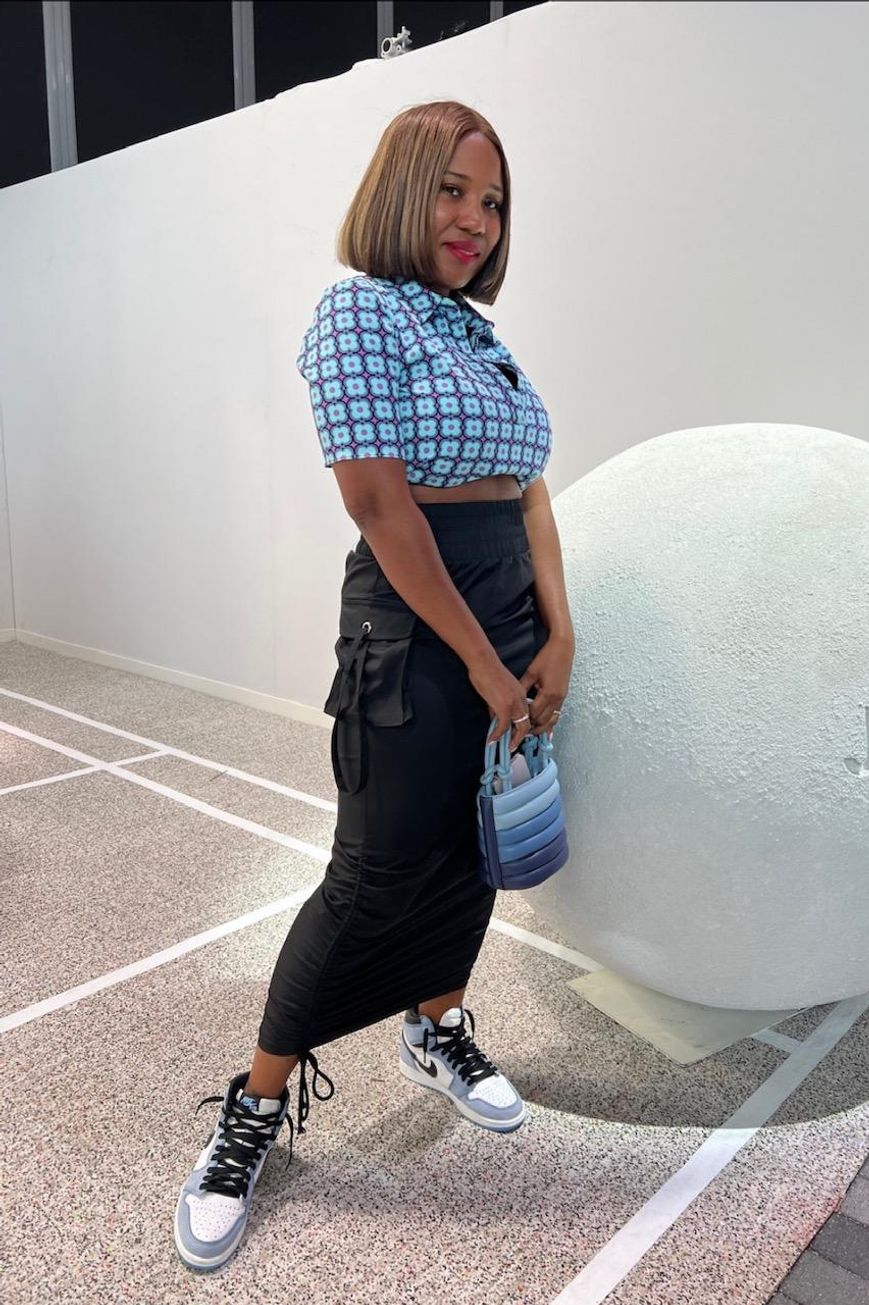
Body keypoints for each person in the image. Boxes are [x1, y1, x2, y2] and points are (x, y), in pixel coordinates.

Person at [174, 99, 575, 1274]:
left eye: (491, 201)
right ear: (401, 188)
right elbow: (378, 505)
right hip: (412, 628)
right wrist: (485, 663)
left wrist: (558, 632)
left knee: (471, 849)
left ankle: (435, 1025)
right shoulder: (356, 313)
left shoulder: (477, 334)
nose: (474, 219)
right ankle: (255, 1107)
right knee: (371, 875)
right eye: (452, 189)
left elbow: (529, 486)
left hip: (507, 616)